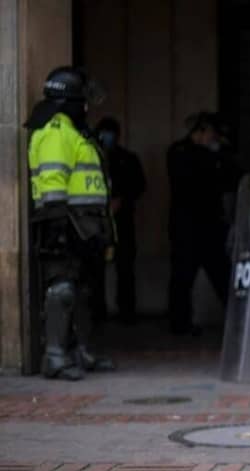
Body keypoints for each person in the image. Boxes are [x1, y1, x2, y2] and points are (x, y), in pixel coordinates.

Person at [25, 66, 116, 380]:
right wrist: (56, 226)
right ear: (68, 100)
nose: (88, 107)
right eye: (83, 100)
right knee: (61, 289)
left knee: (81, 291)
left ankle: (78, 351)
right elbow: (52, 181)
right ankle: (54, 356)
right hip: (63, 223)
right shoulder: (55, 131)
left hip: (84, 226)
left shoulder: (75, 131)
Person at [166, 111, 238, 335]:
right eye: (211, 134)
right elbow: (191, 180)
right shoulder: (180, 152)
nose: (213, 140)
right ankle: (180, 324)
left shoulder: (212, 156)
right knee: (182, 277)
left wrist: (220, 155)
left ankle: (238, 322)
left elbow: (230, 178)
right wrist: (213, 157)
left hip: (210, 224)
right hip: (188, 225)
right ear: (201, 132)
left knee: (223, 276)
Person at [96, 117, 146, 324]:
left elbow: (139, 185)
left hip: (123, 221)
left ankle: (126, 312)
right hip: (97, 222)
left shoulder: (128, 159)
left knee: (125, 268)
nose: (108, 137)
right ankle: (96, 312)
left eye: (111, 133)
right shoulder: (92, 156)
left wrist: (123, 200)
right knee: (95, 269)